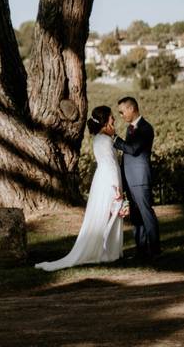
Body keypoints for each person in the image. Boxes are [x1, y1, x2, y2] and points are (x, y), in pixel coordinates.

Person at [35, 105, 128, 271]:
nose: (114, 119)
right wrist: (117, 187)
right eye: (111, 116)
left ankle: (106, 251)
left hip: (103, 178)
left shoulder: (100, 138)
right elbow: (111, 164)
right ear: (105, 120)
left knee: (108, 214)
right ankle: (107, 252)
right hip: (109, 180)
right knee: (111, 213)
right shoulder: (105, 140)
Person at [113, 96, 161, 260]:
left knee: (146, 213)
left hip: (140, 178)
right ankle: (141, 251)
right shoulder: (130, 128)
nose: (121, 115)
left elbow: (133, 149)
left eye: (122, 112)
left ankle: (155, 250)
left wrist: (115, 139)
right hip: (130, 179)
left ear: (131, 109)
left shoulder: (145, 128)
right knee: (136, 216)